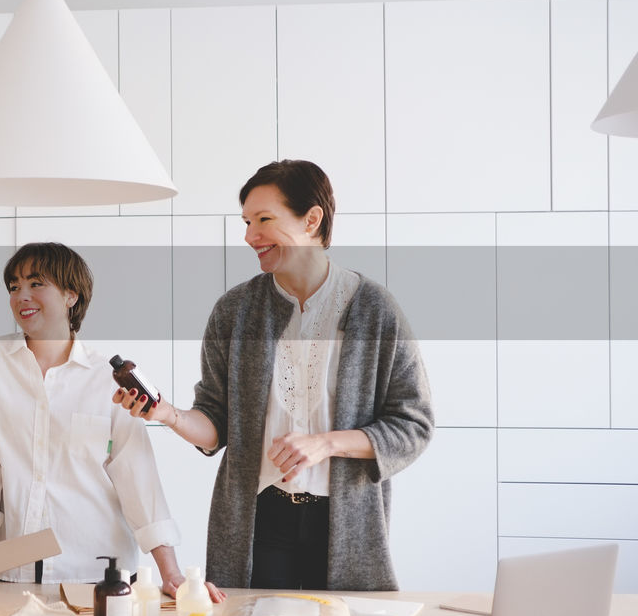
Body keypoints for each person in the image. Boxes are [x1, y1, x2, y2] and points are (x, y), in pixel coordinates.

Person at [115, 160, 432, 591]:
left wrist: (325, 443)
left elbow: (413, 424)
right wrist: (168, 414)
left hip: (344, 524)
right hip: (257, 522)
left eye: (264, 220)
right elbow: (215, 425)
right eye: (247, 222)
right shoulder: (235, 311)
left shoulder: (375, 310)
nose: (249, 236)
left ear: (312, 219)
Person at [0, 242, 191, 595]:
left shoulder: (106, 377)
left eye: (36, 284)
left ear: (71, 295)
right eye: (14, 287)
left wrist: (171, 573)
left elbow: (136, 475)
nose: (22, 295)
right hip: (13, 574)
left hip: (98, 575)